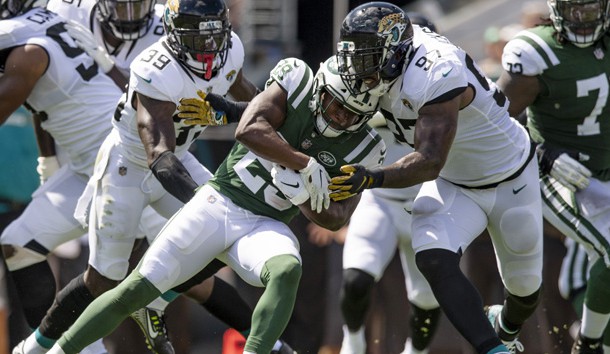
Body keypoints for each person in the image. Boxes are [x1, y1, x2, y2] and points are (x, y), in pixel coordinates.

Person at [42, 54, 386, 354]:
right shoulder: (295, 83)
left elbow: (336, 217)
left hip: (266, 223)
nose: (341, 117)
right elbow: (249, 128)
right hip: (219, 201)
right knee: (132, 291)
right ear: (321, 90)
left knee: (286, 269)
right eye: (336, 104)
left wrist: (303, 195)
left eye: (353, 114)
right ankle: (59, 351)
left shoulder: (364, 146)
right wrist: (303, 164)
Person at [10, 0, 274, 353]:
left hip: (176, 156)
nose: (208, 48)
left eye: (214, 36)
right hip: (129, 165)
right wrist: (206, 201)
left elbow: (254, 106)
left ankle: (267, 342)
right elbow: (159, 158)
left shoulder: (231, 51)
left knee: (223, 235)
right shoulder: (154, 67)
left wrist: (284, 128)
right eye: (197, 37)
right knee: (103, 278)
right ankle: (35, 349)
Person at [332, 3, 543, 354]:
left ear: (395, 50)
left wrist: (370, 178)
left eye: (368, 57)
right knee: (431, 258)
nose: (358, 69)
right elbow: (305, 107)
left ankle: (505, 326)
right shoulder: (379, 66)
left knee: (524, 292)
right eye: (355, 56)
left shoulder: (435, 69)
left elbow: (429, 160)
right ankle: (494, 349)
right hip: (454, 181)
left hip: (509, 175)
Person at [0, 0, 126, 353]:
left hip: (122, 164)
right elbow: (41, 102)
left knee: (133, 275)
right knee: (19, 243)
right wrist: (49, 164)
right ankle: (70, 349)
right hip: (91, 165)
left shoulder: (27, 52)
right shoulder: (48, 28)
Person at [495, 0, 610, 352]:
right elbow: (493, 122)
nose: (582, 19)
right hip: (558, 172)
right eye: (574, 9)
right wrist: (542, 152)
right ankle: (587, 345)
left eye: (590, 9)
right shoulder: (537, 50)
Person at [339, 14, 441, 354]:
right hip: (379, 198)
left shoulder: (443, 86)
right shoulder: (365, 84)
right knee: (356, 279)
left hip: (428, 202)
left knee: (427, 300)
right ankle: (352, 343)